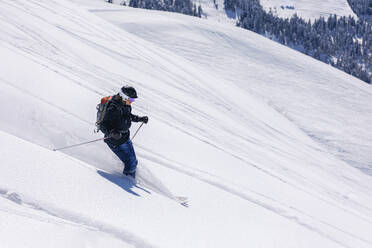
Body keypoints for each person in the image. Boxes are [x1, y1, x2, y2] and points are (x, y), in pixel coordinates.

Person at [101, 86, 148, 178]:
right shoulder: (113, 108)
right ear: (124, 96)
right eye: (131, 99)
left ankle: (130, 179)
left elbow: (127, 116)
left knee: (133, 162)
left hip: (125, 137)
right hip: (115, 141)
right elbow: (103, 124)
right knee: (131, 164)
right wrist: (112, 132)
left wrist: (139, 119)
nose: (132, 101)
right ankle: (126, 181)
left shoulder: (125, 105)